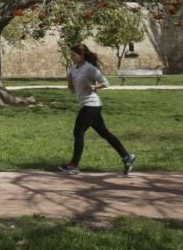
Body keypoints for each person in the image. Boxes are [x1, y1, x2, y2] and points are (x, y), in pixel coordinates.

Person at [57, 43, 136, 176]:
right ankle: (127, 157)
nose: (71, 57)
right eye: (70, 55)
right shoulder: (74, 68)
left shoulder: (90, 68)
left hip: (91, 104)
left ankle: (74, 165)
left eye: (74, 55)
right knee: (104, 133)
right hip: (86, 104)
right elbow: (72, 91)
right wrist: (69, 81)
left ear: (82, 55)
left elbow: (106, 83)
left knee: (78, 132)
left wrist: (93, 87)